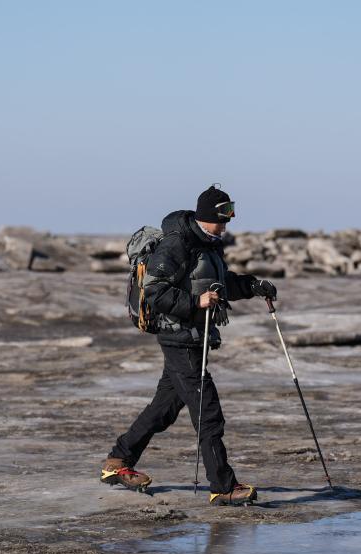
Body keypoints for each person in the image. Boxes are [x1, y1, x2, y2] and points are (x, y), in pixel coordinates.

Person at [101, 185, 277, 505]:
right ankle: (223, 487)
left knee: (164, 409)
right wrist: (197, 302)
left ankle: (118, 461)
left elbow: (221, 284)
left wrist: (253, 286)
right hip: (178, 339)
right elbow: (156, 292)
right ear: (207, 216)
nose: (228, 221)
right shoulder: (177, 244)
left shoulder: (209, 245)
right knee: (207, 412)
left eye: (230, 213)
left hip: (196, 340)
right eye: (223, 215)